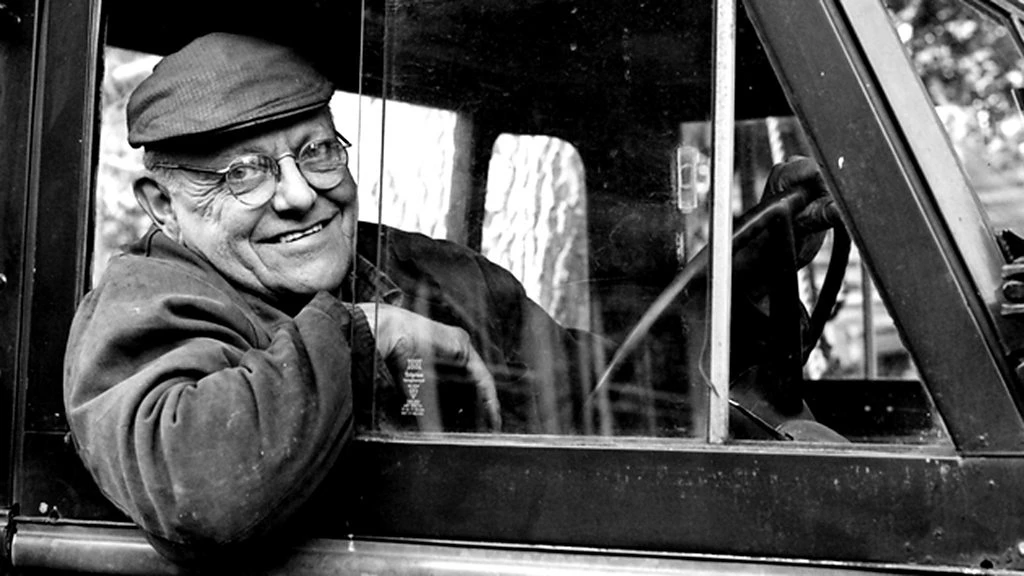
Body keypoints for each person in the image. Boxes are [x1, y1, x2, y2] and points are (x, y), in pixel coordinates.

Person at [63, 32, 836, 566]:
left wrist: (742, 299)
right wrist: (363, 335)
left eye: (317, 152)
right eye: (243, 174)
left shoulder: (429, 270)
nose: (302, 195)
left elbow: (593, 386)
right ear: (163, 206)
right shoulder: (147, 305)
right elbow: (199, 487)